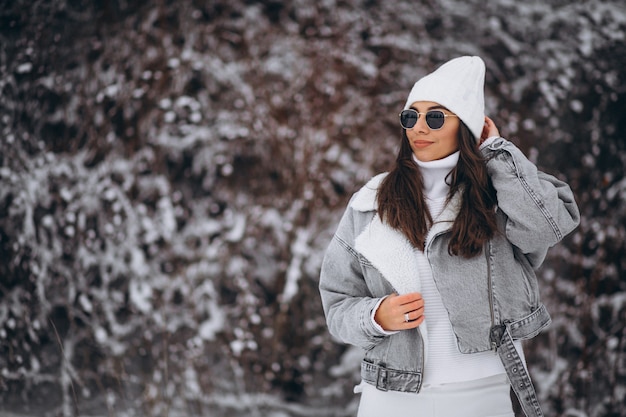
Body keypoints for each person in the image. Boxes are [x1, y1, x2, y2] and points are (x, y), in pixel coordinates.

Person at [318, 56, 580, 417]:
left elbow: (546, 226)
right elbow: (337, 302)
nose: (419, 128)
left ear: (466, 126)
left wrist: (496, 152)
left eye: (436, 117)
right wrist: (377, 316)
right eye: (411, 116)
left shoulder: (497, 195)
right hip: (393, 396)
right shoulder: (370, 204)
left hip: (483, 393)